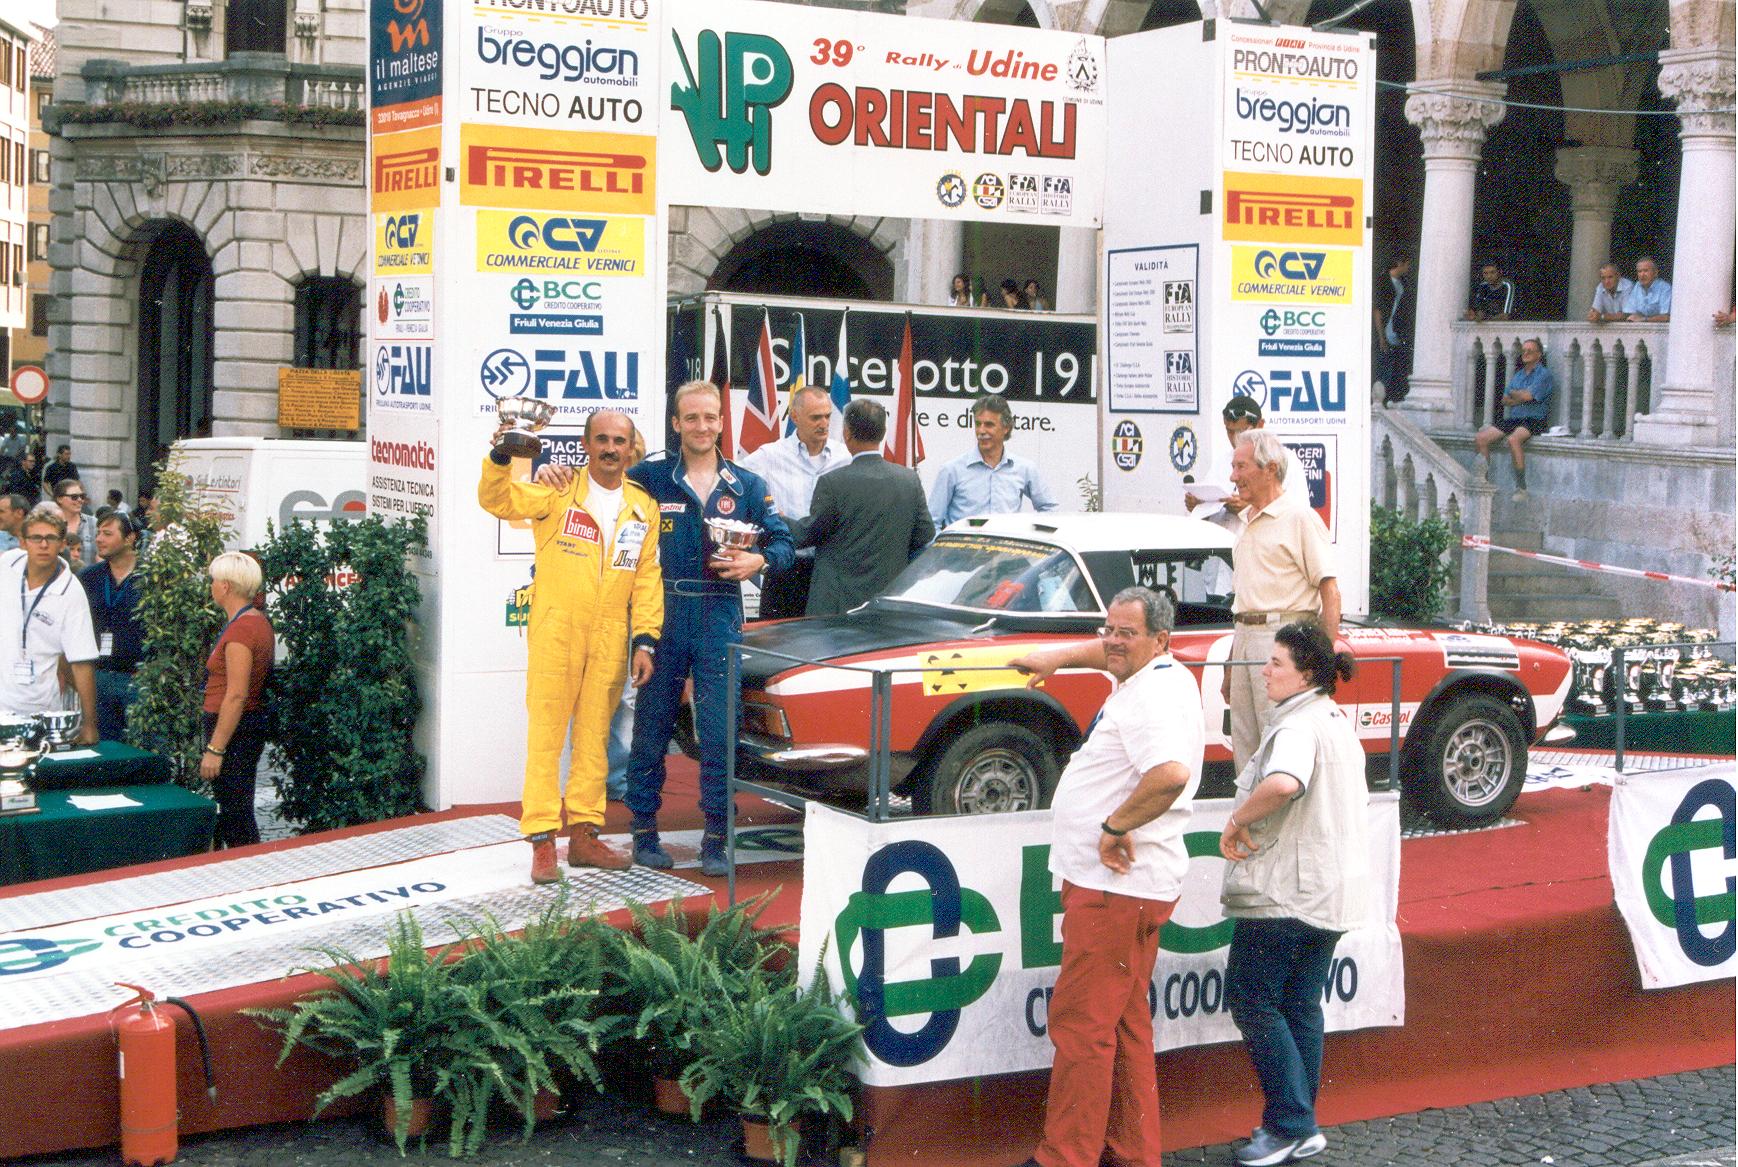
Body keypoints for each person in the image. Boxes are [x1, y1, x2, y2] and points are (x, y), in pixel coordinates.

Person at [1007, 587, 1204, 1167]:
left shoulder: (1152, 697)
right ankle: (1131, 1151)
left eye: (1126, 633)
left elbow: (1170, 774)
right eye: (1108, 629)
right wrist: (1058, 658)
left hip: (1115, 886)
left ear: (1160, 640)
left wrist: (1117, 825)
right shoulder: (1156, 673)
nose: (1113, 642)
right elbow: (1110, 653)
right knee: (1123, 1022)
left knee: (1083, 1025)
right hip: (1125, 887)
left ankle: (1065, 1156)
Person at [479, 410, 663, 884]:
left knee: (595, 739)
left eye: (619, 441)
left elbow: (647, 579)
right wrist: (501, 457)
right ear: (585, 444)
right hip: (557, 631)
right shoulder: (558, 490)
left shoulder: (643, 506)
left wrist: (645, 639)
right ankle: (542, 840)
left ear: (630, 448)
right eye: (601, 439)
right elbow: (497, 499)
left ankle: (584, 836)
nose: (610, 448)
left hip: (610, 634)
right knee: (546, 737)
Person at [620, 381, 794, 876]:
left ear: (722, 422)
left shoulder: (747, 485)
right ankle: (644, 833)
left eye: (710, 417)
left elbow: (784, 546)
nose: (702, 426)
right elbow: (603, 497)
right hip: (664, 613)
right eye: (692, 417)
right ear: (676, 423)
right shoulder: (648, 479)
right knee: (652, 728)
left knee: (719, 731)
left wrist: (756, 560)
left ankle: (717, 838)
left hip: (720, 614)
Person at [1219, 622, 1368, 1167]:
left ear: (1305, 674)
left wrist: (1237, 819)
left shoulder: (1298, 726)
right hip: (1330, 890)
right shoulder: (1333, 720)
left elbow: (1284, 783)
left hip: (1287, 892)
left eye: (1276, 663)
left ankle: (1289, 1125)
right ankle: (1300, 1124)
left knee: (1252, 998)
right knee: (1300, 1002)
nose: (1264, 671)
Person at [1226, 432, 1340, 777]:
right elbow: (1245, 600)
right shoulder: (1246, 521)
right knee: (1245, 745)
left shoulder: (1299, 518)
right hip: (1245, 636)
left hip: (1284, 637)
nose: (1233, 476)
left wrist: (1323, 660)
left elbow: (1330, 591)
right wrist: (1231, 662)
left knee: (1281, 741)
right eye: (1233, 467)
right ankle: (1250, 810)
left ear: (1270, 469)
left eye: (1241, 467)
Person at [800, 399, 934, 616]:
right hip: (887, 606)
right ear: (883, 433)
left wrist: (777, 518)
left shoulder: (832, 483)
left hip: (837, 609)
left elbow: (809, 534)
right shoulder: (909, 480)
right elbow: (925, 534)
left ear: (847, 433)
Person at [738, 384, 847, 619]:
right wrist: (764, 519)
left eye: (827, 416)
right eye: (816, 417)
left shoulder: (845, 458)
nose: (824, 423)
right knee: (777, 639)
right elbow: (734, 486)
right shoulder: (770, 456)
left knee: (827, 641)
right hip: (785, 569)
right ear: (795, 417)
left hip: (829, 571)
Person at [0, 504, 100, 738]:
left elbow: (82, 662)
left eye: (51, 538)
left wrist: (89, 724)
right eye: (36, 538)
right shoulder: (7, 565)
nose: (43, 545)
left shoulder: (71, 591)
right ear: (23, 542)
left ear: (62, 544)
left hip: (41, 713)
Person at [201, 551, 274, 849]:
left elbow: (236, 695)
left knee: (236, 815)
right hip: (243, 728)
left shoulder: (242, 629)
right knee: (236, 811)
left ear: (226, 586)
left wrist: (215, 749)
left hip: (233, 730)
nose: (211, 586)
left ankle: (247, 867)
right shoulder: (255, 621)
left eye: (213, 580)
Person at [928, 394, 1059, 529]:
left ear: (1006, 428)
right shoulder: (951, 470)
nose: (981, 431)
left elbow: (1050, 509)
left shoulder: (1024, 469)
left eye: (989, 425)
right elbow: (932, 523)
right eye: (978, 424)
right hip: (963, 543)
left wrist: (1030, 534)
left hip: (1006, 542)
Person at [1186, 395, 1308, 531]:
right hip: (1226, 542)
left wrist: (1250, 508)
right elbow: (1209, 518)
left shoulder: (1286, 460)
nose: (1235, 439)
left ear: (1260, 425)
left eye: (1241, 432)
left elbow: (1298, 514)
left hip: (1264, 541)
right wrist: (1199, 505)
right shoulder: (1221, 462)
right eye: (1230, 431)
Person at [79, 510, 145, 742]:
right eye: (98, 533)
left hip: (137, 680)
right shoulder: (88, 577)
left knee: (142, 749)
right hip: (99, 677)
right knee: (104, 749)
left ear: (130, 538)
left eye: (107, 534)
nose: (99, 539)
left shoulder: (152, 576)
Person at [1474, 336, 1553, 501]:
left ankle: (1521, 487)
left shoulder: (1544, 375)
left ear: (1539, 354)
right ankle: (1483, 483)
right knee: (1481, 438)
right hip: (1516, 418)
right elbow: (1505, 399)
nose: (1526, 353)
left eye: (1530, 350)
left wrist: (1520, 395)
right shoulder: (1519, 375)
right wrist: (1522, 396)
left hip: (1534, 419)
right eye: (1524, 350)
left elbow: (1527, 396)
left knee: (1513, 439)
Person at [1372, 253, 1413, 404]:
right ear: (1399, 263)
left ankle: (1391, 402)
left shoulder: (1404, 283)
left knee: (1396, 372)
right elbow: (1377, 310)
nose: (1409, 268)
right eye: (1407, 264)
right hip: (1385, 334)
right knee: (1384, 371)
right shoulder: (1383, 281)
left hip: (1398, 334)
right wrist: (1381, 336)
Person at [54, 480, 96, 568]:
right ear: (59, 499)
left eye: (82, 496)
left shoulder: (94, 523)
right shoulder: (49, 525)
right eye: (74, 497)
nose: (80, 500)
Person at [1623, 256, 1672, 321]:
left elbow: (1666, 317)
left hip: (1660, 327)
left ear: (1655, 273)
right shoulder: (1637, 286)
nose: (1642, 275)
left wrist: (1644, 319)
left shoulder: (1665, 288)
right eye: (1639, 271)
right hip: (1641, 326)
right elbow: (1630, 311)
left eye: (1646, 271)